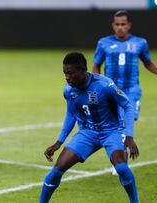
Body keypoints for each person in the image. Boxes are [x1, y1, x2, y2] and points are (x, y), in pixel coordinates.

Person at [39, 52, 139, 203]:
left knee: (122, 168)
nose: (67, 77)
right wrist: (58, 142)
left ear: (83, 70)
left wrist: (129, 136)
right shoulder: (69, 90)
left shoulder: (105, 85)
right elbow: (71, 114)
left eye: (70, 73)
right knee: (57, 169)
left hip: (112, 131)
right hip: (88, 133)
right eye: (65, 73)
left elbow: (127, 106)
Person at [93, 10, 157, 175]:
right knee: (117, 125)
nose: (120, 27)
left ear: (129, 25)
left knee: (126, 122)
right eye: (117, 24)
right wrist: (95, 85)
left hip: (132, 91)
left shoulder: (140, 43)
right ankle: (120, 159)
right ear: (113, 25)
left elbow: (148, 63)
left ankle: (120, 159)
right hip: (111, 92)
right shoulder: (103, 43)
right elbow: (96, 66)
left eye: (123, 24)